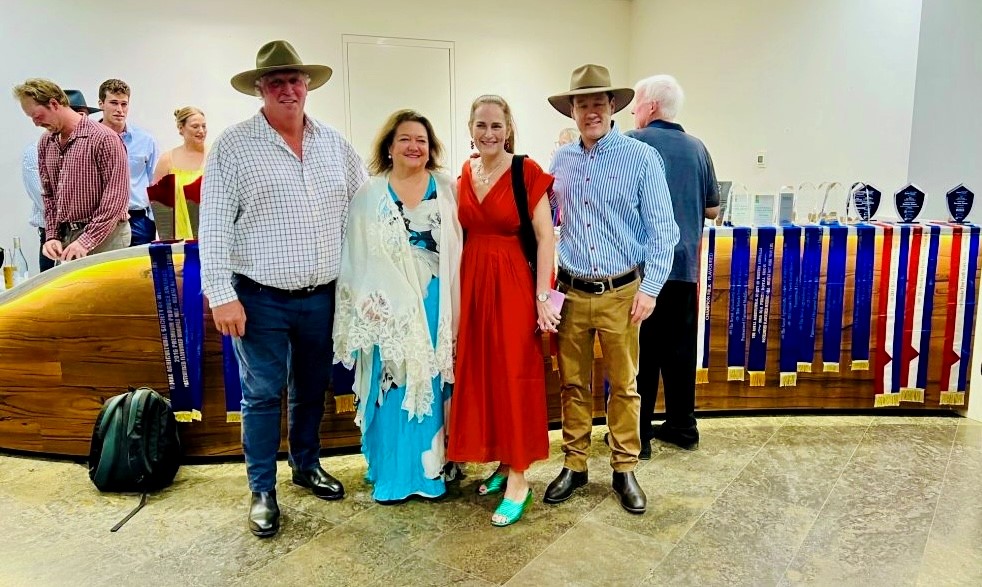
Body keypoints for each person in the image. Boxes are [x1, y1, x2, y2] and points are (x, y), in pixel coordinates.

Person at [199, 40, 367, 538]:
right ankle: (262, 490)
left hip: (322, 296)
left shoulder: (335, 144)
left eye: (295, 80)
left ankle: (306, 465)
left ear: (307, 85)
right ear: (260, 88)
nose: (288, 89)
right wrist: (220, 294)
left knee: (312, 388)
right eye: (276, 82)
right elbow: (214, 226)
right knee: (262, 395)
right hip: (259, 298)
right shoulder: (232, 147)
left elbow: (363, 209)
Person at [543, 64, 679, 515]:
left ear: (613, 106)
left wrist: (651, 288)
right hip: (571, 290)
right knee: (572, 384)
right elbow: (548, 220)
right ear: (572, 111)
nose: (591, 112)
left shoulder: (641, 158)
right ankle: (575, 463)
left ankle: (624, 468)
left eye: (598, 103)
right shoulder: (561, 161)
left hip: (623, 292)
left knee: (624, 385)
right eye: (582, 104)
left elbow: (664, 230)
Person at [333, 109, 462, 504]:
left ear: (431, 147)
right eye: (405, 139)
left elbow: (461, 245)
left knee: (434, 383)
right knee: (392, 387)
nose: (413, 146)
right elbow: (355, 255)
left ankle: (433, 472)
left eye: (421, 140)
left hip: (437, 306)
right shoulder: (370, 193)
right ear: (389, 146)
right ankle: (393, 476)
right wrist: (372, 305)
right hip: (388, 311)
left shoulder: (447, 188)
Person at [447, 95, 557, 527]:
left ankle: (519, 479)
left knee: (514, 376)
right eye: (481, 125)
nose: (489, 133)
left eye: (496, 125)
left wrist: (543, 297)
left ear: (508, 129)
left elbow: (545, 238)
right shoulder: (464, 172)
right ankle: (502, 460)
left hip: (512, 283)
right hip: (472, 283)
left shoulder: (526, 172)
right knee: (485, 374)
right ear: (470, 129)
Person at [627, 74, 719, 456]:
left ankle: (638, 435)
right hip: (685, 266)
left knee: (642, 353)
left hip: (643, 270)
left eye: (635, 104)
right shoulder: (698, 148)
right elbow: (713, 209)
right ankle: (683, 426)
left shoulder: (631, 143)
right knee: (680, 352)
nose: (633, 111)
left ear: (650, 106)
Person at [14, 79, 131, 262]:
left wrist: (86, 240)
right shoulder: (46, 142)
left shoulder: (105, 139)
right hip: (68, 237)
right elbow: (49, 195)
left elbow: (116, 199)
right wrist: (52, 235)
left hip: (107, 238)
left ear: (54, 104)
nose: (36, 123)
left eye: (37, 115)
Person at [21, 90, 104, 272]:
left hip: (95, 231)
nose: (82, 120)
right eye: (78, 114)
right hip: (56, 233)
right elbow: (46, 197)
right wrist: (54, 234)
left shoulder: (101, 139)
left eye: (84, 115)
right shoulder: (39, 148)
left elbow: (112, 193)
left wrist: (87, 234)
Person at [98, 79, 159, 246]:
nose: (119, 109)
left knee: (141, 263)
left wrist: (153, 221)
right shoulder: (89, 139)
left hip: (138, 220)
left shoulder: (145, 140)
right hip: (101, 219)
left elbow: (154, 182)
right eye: (113, 103)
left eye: (124, 104)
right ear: (101, 104)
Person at [153, 106, 208, 239]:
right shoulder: (166, 160)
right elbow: (159, 206)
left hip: (209, 233)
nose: (201, 131)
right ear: (181, 128)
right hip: (178, 237)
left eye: (204, 126)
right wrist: (167, 238)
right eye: (195, 126)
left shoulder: (214, 155)